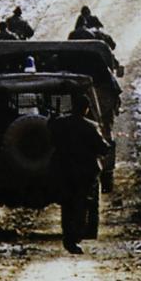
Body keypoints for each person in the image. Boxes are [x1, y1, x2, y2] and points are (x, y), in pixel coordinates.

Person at [48, 93, 112, 255]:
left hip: (64, 170)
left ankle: (69, 237)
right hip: (84, 173)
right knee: (81, 204)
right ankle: (74, 237)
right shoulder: (90, 126)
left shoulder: (60, 124)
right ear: (86, 109)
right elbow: (103, 148)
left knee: (67, 205)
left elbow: (50, 137)